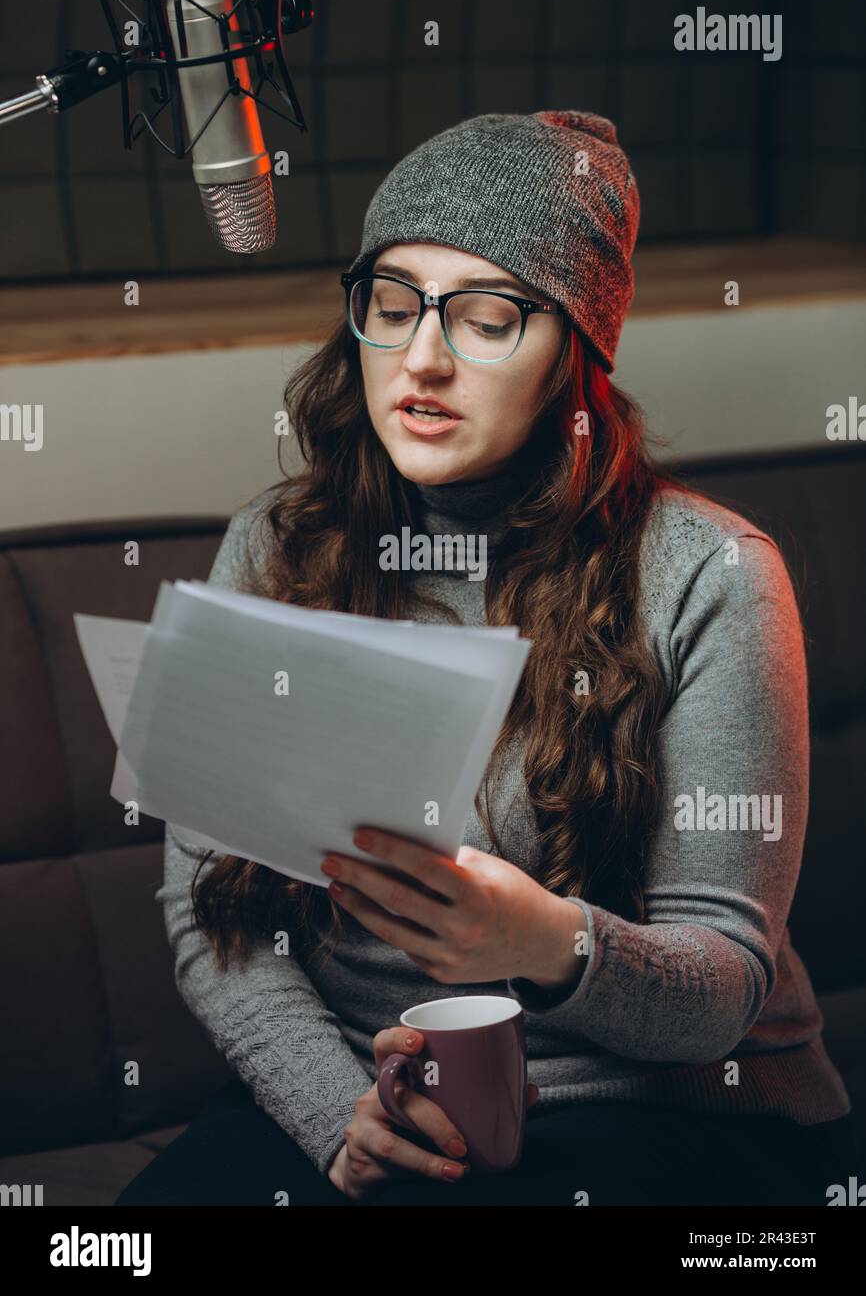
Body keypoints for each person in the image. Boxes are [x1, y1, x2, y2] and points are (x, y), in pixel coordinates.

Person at [115, 110, 860, 1208]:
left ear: (576, 351)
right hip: (381, 1096)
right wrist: (338, 1121)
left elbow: (722, 987)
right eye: (393, 302)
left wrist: (543, 942)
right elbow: (213, 909)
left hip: (660, 1112)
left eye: (485, 317)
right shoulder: (273, 551)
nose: (421, 357)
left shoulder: (712, 574)